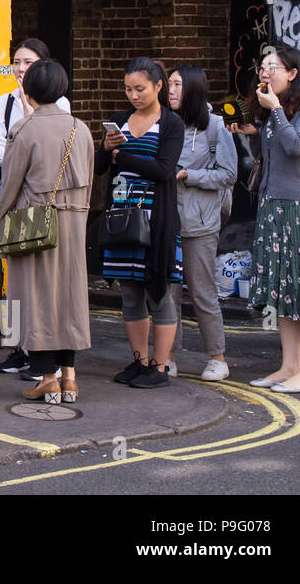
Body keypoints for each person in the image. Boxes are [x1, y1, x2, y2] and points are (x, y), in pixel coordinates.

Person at [0, 59, 93, 403]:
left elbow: (10, 185)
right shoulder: (82, 129)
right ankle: (70, 378)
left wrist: (0, 225)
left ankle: (47, 379)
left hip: (34, 222)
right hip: (74, 223)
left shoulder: (24, 129)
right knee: (69, 298)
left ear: (29, 90)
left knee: (36, 300)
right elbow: (91, 183)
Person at [231, 47, 300, 393]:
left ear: (293, 73)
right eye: (262, 68)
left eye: (272, 68)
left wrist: (276, 112)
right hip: (274, 206)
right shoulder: (274, 112)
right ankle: (289, 365)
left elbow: (296, 146)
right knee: (284, 289)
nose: (264, 74)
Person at [0, 38, 73, 376]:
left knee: (41, 274)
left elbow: (49, 149)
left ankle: (40, 352)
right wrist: (16, 159)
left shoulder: (59, 105)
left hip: (43, 198)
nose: (21, 69)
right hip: (11, 191)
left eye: (28, 62)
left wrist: (26, 122)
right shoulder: (3, 103)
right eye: (16, 62)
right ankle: (18, 347)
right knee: (14, 272)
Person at [99, 57, 185, 389]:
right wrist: (106, 150)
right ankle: (139, 361)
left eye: (140, 89)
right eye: (128, 89)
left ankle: (160, 367)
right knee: (130, 292)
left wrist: (125, 156)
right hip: (122, 217)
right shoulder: (120, 120)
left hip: (156, 218)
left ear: (158, 86)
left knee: (159, 290)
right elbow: (99, 168)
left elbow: (165, 170)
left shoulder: (171, 124)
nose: (133, 96)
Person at [169, 63, 238, 382]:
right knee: (166, 292)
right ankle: (167, 354)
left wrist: (188, 175)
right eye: (169, 84)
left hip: (200, 222)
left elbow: (228, 174)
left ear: (193, 89)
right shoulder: (166, 123)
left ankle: (217, 357)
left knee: (201, 291)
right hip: (168, 220)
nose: (170, 90)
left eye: (178, 84)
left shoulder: (214, 126)